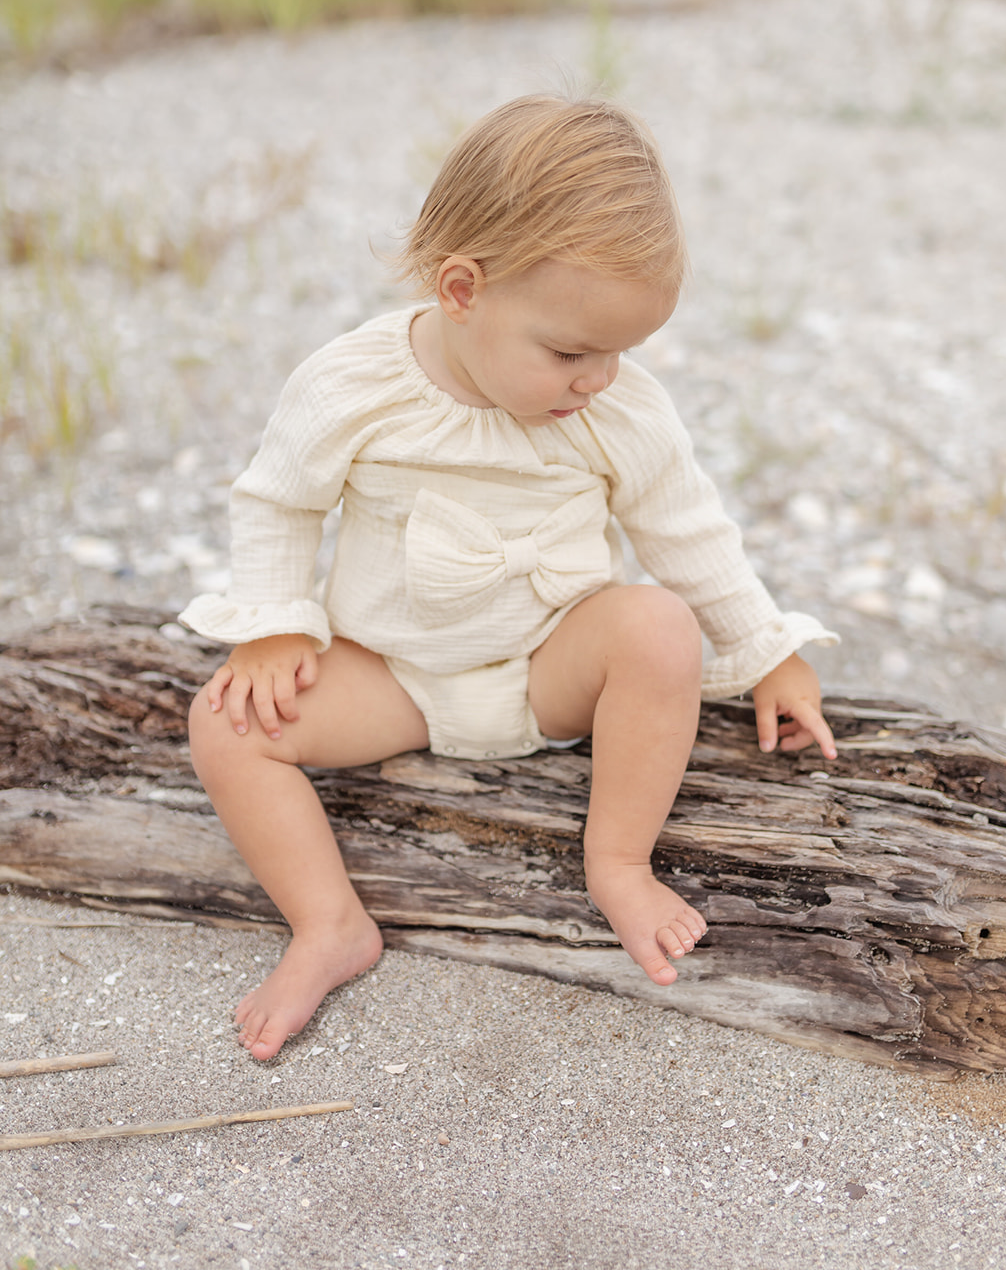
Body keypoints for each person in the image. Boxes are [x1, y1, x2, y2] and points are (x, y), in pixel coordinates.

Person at [182, 94, 837, 1062]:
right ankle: (328, 923)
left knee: (657, 627)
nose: (598, 379)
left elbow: (685, 527)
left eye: (620, 351)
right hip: (393, 676)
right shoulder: (353, 384)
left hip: (547, 668)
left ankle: (615, 860)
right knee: (223, 723)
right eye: (571, 351)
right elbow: (278, 499)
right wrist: (275, 624)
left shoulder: (615, 411)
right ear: (460, 291)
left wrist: (766, 648)